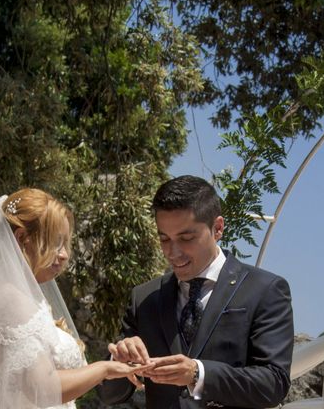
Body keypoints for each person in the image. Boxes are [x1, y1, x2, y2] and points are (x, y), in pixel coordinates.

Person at [97, 175, 294, 408]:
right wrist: (116, 361)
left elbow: (273, 384)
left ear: (218, 228)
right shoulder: (143, 299)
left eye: (186, 238)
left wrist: (198, 373)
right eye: (164, 239)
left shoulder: (265, 290)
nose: (173, 252)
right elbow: (110, 396)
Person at [0, 188, 151, 409]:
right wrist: (103, 369)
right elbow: (42, 388)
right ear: (22, 238)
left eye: (65, 243)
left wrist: (114, 363)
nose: (64, 254)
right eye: (55, 242)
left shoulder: (19, 297)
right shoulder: (12, 301)